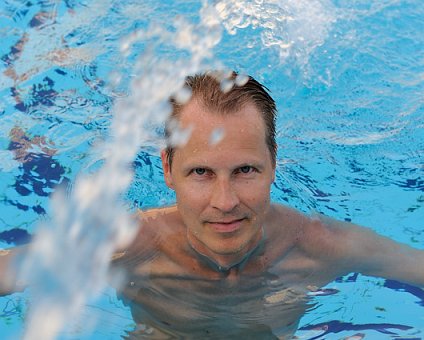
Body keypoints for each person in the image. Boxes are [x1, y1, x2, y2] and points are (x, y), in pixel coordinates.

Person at [1, 71, 423, 339]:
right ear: (167, 169)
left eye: (245, 171)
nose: (225, 202)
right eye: (201, 173)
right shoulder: (128, 245)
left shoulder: (322, 246)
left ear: (274, 163)